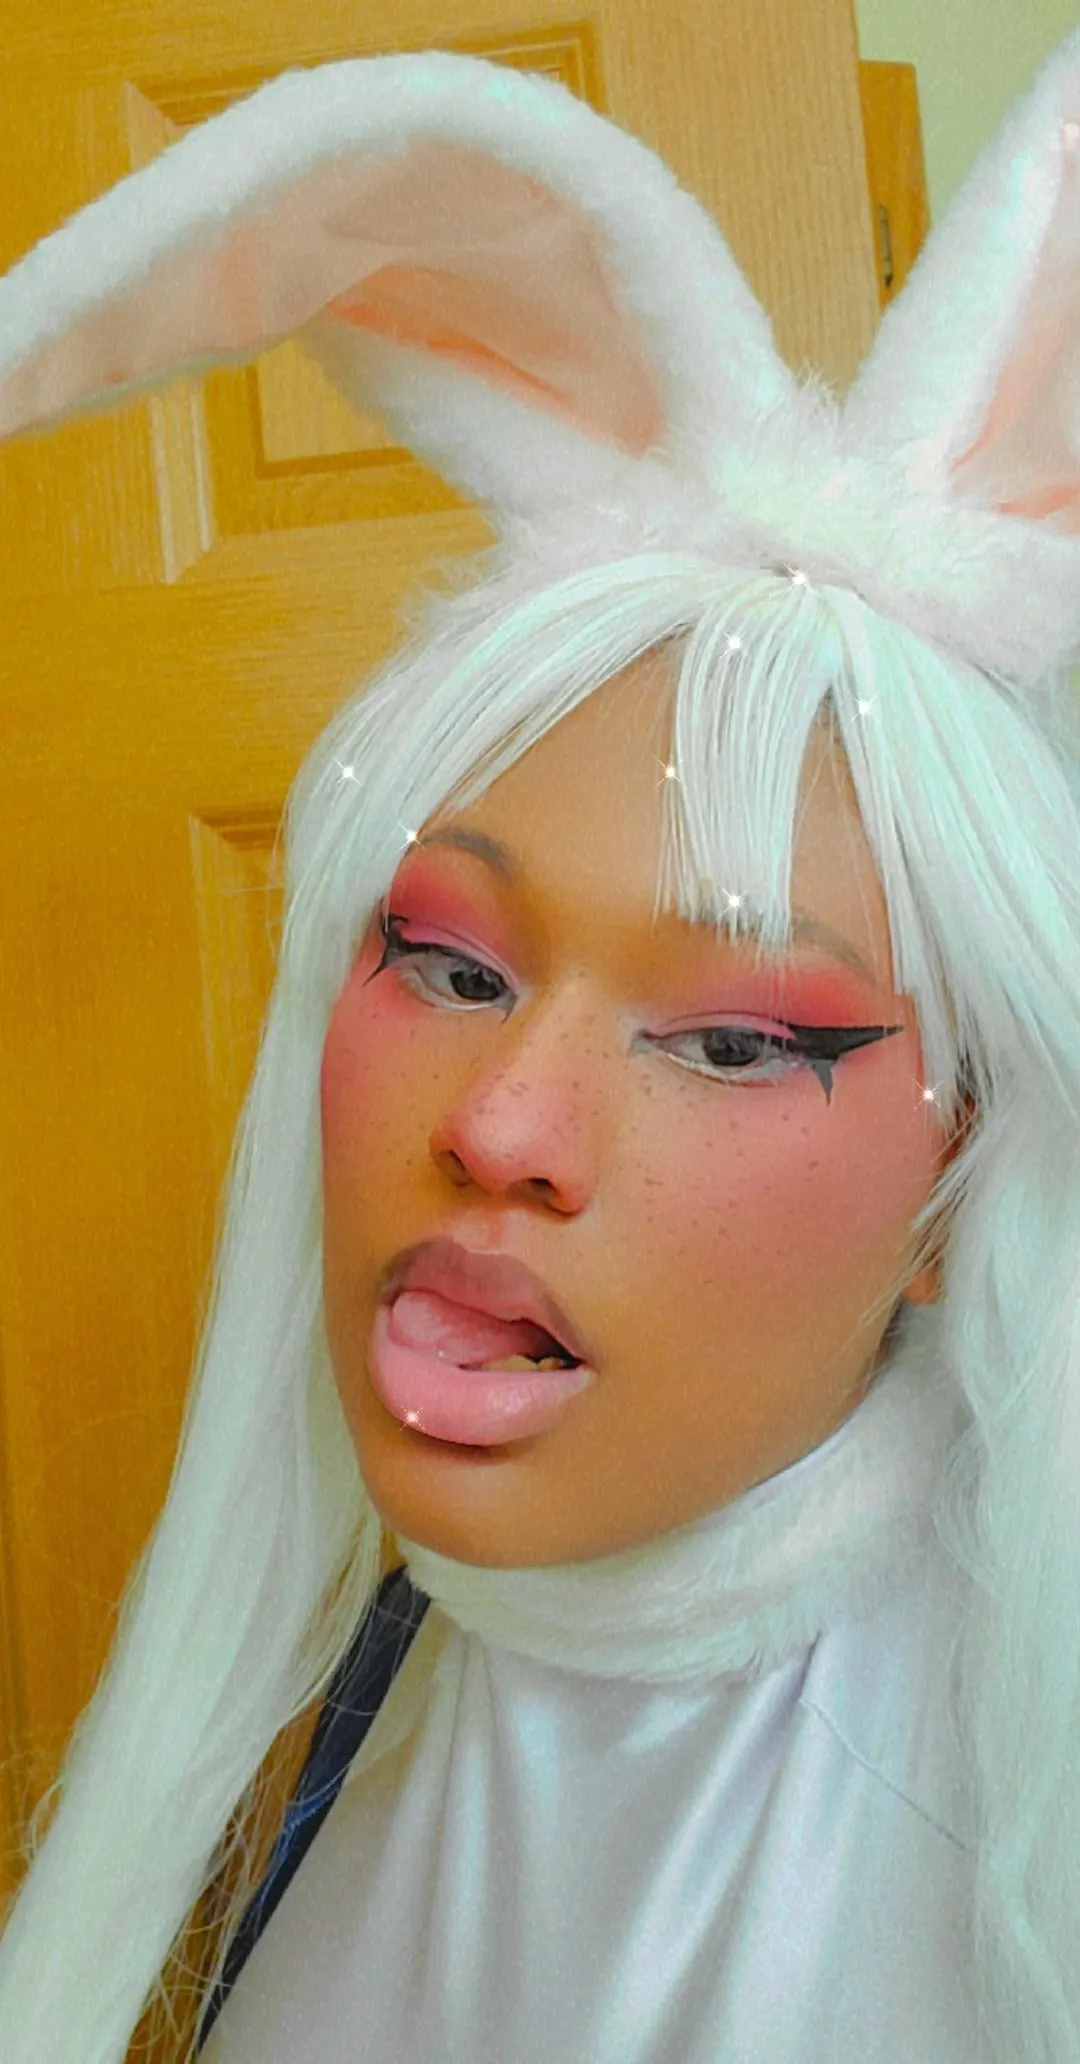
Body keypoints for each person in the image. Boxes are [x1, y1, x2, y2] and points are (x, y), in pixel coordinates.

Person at [0, 37, 1078, 2064]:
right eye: (446, 963)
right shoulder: (415, 1671)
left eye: (737, 1040)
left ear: (966, 1175)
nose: (500, 1126)